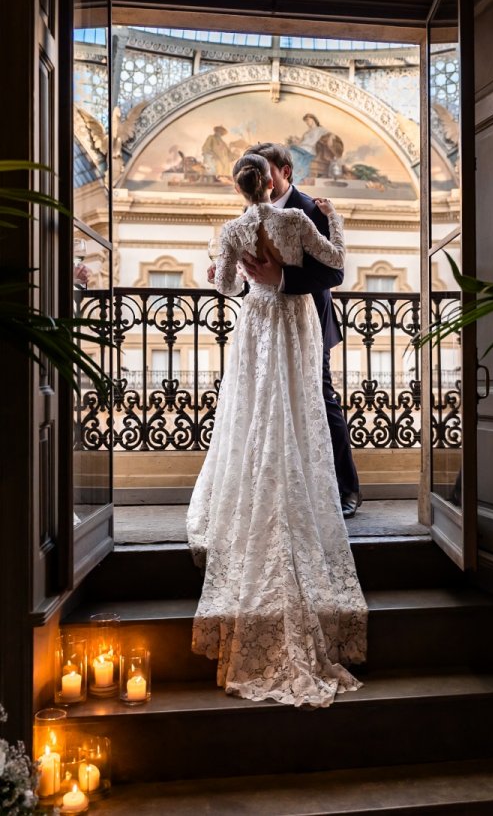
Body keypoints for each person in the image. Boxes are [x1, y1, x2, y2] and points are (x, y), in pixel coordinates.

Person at [187, 153, 367, 708]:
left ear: (241, 187)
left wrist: (229, 269)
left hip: (259, 324)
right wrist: (335, 221)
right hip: (295, 327)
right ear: (274, 181)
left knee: (258, 412)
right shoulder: (296, 220)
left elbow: (222, 289)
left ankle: (267, 490)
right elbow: (338, 258)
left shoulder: (234, 227)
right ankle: (305, 491)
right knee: (296, 407)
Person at [242, 142, 361, 519]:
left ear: (286, 172)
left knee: (321, 402)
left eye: (268, 172)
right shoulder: (251, 211)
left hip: (309, 324)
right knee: (272, 403)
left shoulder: (312, 209)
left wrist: (283, 278)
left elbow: (334, 273)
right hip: (268, 325)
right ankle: (290, 490)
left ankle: (346, 490)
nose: (263, 179)